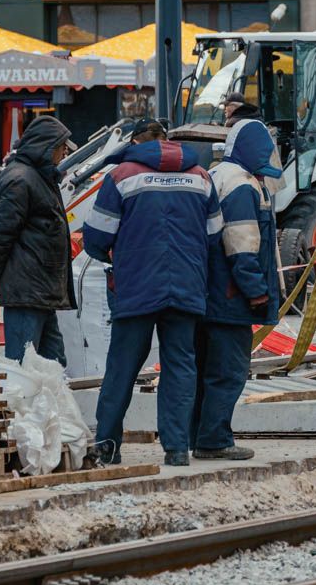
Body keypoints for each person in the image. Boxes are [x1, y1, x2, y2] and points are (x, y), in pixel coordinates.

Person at [83, 135, 223, 467]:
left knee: (122, 367)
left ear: (136, 143)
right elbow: (215, 235)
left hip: (136, 287)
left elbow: (96, 236)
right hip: (186, 286)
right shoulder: (201, 177)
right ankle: (176, 449)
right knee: (180, 367)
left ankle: (108, 445)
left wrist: (120, 259)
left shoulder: (121, 176)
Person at [192, 120, 282, 461]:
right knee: (227, 372)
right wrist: (256, 291)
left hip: (207, 293)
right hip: (231, 297)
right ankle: (215, 440)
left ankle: (197, 436)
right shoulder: (243, 185)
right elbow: (242, 246)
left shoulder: (216, 174)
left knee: (204, 369)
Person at [0, 116, 75, 367]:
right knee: (22, 367)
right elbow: (0, 235)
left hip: (40, 291)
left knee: (54, 366)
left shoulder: (38, 177)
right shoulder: (21, 180)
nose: (64, 152)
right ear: (45, 146)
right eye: (61, 146)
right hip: (26, 291)